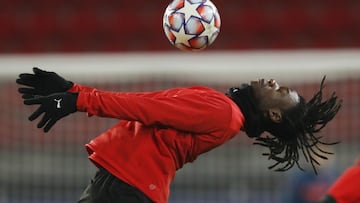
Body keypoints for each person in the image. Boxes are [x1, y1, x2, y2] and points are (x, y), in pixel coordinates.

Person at [16, 67, 342, 203]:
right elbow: (150, 104)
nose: (275, 83)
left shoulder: (223, 112)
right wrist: (73, 90)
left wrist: (78, 100)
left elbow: (144, 109)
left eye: (282, 92)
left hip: (129, 188)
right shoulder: (225, 110)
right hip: (127, 184)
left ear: (274, 114)